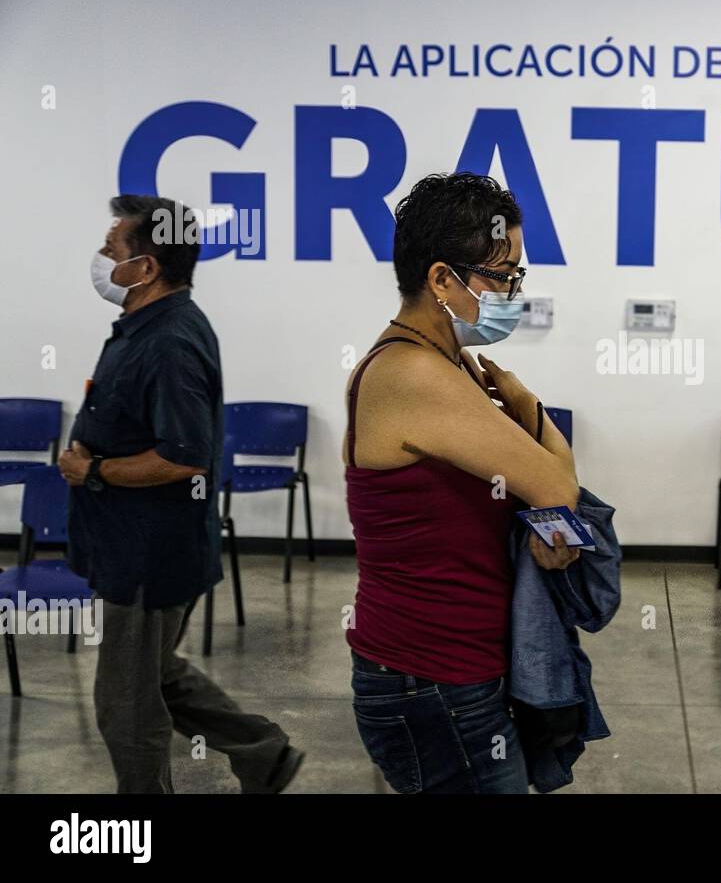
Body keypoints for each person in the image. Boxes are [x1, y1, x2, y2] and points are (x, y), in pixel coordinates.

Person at [344, 172, 580, 794]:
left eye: (517, 276)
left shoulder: (449, 365)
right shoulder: (414, 375)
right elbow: (556, 486)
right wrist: (532, 407)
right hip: (431, 678)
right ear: (442, 278)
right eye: (501, 276)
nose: (513, 292)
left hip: (455, 669)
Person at [60, 195, 303, 793]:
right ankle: (263, 753)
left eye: (111, 248)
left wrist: (95, 472)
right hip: (130, 548)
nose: (100, 257)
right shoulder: (144, 327)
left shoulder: (170, 342)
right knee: (156, 675)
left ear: (144, 268)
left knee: (126, 705)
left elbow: (183, 456)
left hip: (149, 554)